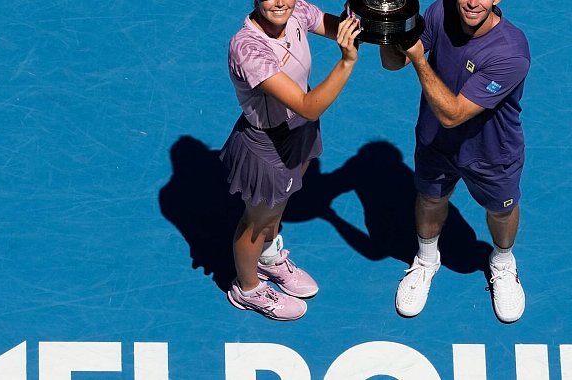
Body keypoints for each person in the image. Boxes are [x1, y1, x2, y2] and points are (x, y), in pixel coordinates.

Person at [380, 0, 530, 322]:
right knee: (431, 199)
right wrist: (390, 28)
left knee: (501, 212)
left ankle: (503, 263)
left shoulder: (511, 52)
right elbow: (394, 63)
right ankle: (426, 259)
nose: (472, 3)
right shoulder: (439, 12)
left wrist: (419, 58)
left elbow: (453, 115)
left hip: (492, 152)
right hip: (436, 143)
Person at [222, 0, 361, 321]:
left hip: (300, 129)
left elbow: (342, 29)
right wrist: (346, 62)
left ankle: (268, 258)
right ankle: (248, 289)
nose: (281, 2)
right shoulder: (248, 48)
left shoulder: (296, 10)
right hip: (269, 142)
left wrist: (363, 14)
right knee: (256, 223)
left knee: (281, 203)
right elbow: (307, 105)